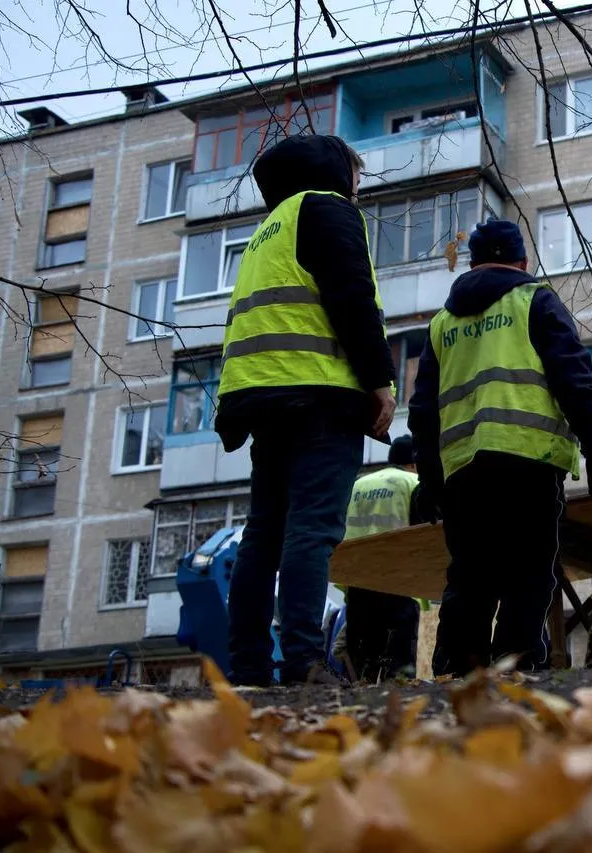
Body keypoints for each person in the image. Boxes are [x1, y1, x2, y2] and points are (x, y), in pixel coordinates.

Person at [216, 134, 398, 687]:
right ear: (335, 173)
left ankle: (247, 666)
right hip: (318, 396)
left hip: (263, 398)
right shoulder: (327, 209)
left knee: (263, 535)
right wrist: (380, 380)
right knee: (312, 531)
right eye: (356, 175)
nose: (358, 188)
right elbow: (351, 297)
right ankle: (302, 660)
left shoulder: (264, 233)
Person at [409, 218, 592, 678]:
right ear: (522, 262)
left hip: (463, 470)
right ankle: (516, 665)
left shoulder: (443, 324)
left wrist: (429, 478)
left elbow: (423, 410)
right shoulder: (535, 301)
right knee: (529, 569)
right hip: (528, 460)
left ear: (473, 262)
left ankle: (460, 669)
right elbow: (574, 378)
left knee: (471, 573)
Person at [337, 435, 434, 682]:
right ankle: (395, 710)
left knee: (362, 660)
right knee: (398, 663)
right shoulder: (413, 481)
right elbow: (423, 528)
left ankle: (360, 710)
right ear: (414, 463)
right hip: (397, 582)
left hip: (359, 581)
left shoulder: (358, 484)